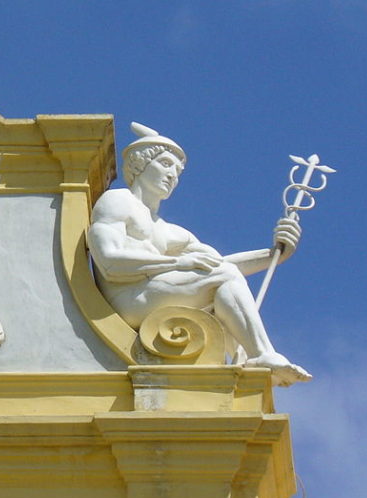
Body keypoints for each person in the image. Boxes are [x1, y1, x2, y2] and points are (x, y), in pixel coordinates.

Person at [87, 123, 311, 386]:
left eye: (178, 171)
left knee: (225, 277)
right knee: (222, 276)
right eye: (166, 164)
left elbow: (217, 266)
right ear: (139, 164)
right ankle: (261, 354)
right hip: (127, 297)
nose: (173, 176)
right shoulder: (119, 201)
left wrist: (275, 253)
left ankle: (248, 358)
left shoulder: (170, 231)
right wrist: (178, 262)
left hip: (154, 292)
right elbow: (110, 261)